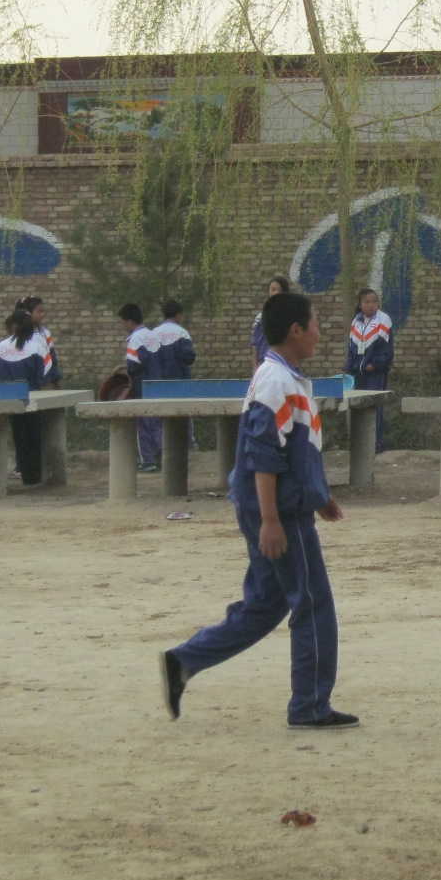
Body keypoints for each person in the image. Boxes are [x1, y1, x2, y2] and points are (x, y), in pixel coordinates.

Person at [159, 290, 357, 731]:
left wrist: (320, 495)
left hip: (280, 505)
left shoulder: (288, 378)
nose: (320, 332)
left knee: (267, 603)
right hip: (279, 511)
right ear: (296, 330)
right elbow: (262, 454)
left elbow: (296, 451)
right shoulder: (274, 381)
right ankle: (309, 706)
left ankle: (184, 660)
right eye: (315, 324)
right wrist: (270, 520)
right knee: (313, 603)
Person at [0, 308, 48, 487]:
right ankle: (34, 476)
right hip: (32, 397)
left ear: (13, 326)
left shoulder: (0, 347)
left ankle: (24, 473)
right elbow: (42, 374)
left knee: (19, 436)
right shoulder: (36, 346)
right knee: (34, 436)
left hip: (10, 399)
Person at [344, 288, 393, 452]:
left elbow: (386, 349)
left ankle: (376, 443)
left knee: (374, 407)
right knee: (358, 407)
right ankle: (360, 443)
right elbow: (351, 348)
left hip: (375, 374)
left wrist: (376, 364)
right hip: (358, 373)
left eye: (374, 301)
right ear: (360, 304)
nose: (371, 305)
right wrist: (349, 367)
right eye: (367, 302)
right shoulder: (356, 321)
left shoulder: (383, 320)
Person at [150, 299, 198, 461]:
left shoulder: (154, 333)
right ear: (178, 315)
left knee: (159, 418)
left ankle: (159, 450)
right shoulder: (182, 333)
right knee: (183, 415)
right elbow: (189, 357)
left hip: (158, 385)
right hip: (180, 384)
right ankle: (188, 447)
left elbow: (149, 359)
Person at [120, 303, 162, 473]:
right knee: (157, 423)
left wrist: (125, 375)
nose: (123, 326)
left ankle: (148, 461)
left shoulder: (135, 339)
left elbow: (133, 366)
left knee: (143, 425)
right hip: (157, 386)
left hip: (141, 387)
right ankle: (162, 457)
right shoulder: (153, 335)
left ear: (129, 321)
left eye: (123, 322)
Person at [17, 295, 61, 387]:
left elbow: (52, 357)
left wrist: (55, 380)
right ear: (27, 314)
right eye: (39, 311)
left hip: (43, 381)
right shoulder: (18, 335)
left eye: (43, 311)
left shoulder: (45, 333)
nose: (43, 314)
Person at [251, 275, 291, 369]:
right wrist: (255, 369)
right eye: (273, 289)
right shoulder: (260, 318)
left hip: (284, 366)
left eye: (279, 290)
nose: (276, 293)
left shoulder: (290, 317)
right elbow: (255, 346)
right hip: (264, 365)